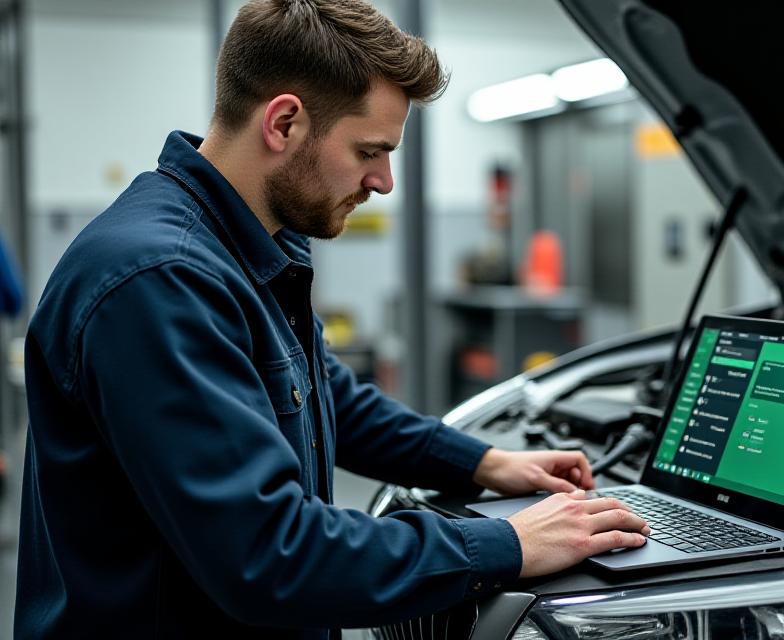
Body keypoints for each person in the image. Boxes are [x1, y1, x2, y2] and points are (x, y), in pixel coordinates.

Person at [14, 1, 649, 637]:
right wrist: (505, 544)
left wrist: (482, 462)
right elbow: (270, 555)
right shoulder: (161, 279)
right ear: (284, 122)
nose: (384, 181)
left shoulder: (252, 244)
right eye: (370, 150)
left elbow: (323, 394)